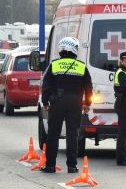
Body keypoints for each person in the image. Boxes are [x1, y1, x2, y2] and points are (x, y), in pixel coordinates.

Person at [41, 37, 93, 173]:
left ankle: (50, 166)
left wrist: (45, 102)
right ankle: (72, 166)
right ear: (74, 49)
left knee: (53, 134)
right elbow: (89, 87)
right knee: (73, 135)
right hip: (75, 102)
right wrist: (87, 103)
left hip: (58, 102)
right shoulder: (81, 66)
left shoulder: (54, 65)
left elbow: (45, 86)